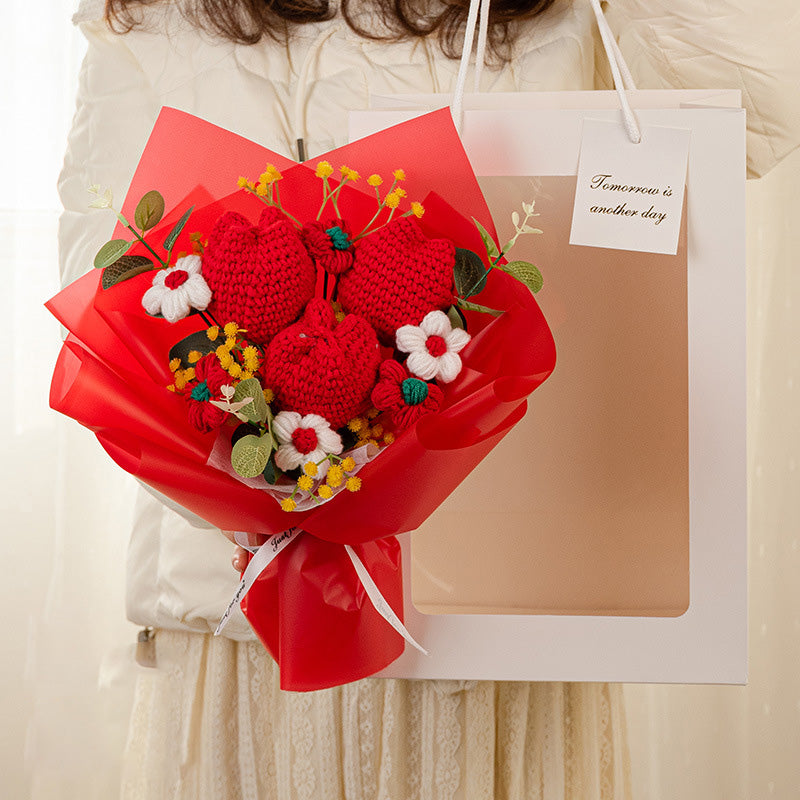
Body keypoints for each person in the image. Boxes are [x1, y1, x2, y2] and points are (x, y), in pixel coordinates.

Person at [59, 1, 798, 798]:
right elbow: (103, 297)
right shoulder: (149, 19)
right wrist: (275, 452)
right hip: (236, 623)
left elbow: (755, 103)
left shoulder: (558, 15)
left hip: (496, 630)